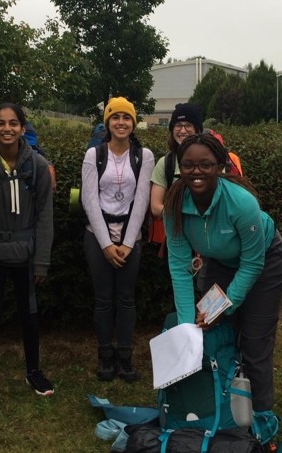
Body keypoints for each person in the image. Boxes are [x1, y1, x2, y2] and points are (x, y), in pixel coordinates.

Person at [162, 132, 282, 415]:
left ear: (220, 166)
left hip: (264, 262)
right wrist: (185, 329)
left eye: (205, 164)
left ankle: (260, 418)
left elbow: (252, 264)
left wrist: (223, 307)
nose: (196, 171)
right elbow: (180, 268)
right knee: (211, 332)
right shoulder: (174, 206)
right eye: (188, 165)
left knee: (254, 343)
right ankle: (222, 412)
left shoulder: (242, 203)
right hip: (219, 262)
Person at [0, 103, 55, 404]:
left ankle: (33, 370)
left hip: (27, 254)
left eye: (14, 123)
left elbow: (45, 215)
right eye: (1, 123)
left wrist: (41, 261)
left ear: (23, 128)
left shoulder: (37, 166)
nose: (7, 128)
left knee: (29, 315)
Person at [81, 97, 154, 382]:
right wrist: (106, 245)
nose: (121, 122)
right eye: (115, 117)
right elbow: (89, 200)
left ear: (133, 123)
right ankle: (105, 355)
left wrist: (127, 243)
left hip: (129, 235)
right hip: (97, 234)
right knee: (103, 299)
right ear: (107, 122)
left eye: (126, 117)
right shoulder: (94, 155)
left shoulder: (143, 156)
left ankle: (124, 356)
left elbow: (142, 201)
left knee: (126, 298)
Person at [149, 103, 203, 251]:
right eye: (178, 125)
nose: (182, 130)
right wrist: (185, 218)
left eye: (188, 125)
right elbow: (155, 207)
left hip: (209, 238)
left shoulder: (211, 159)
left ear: (197, 129)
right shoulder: (166, 163)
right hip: (177, 239)